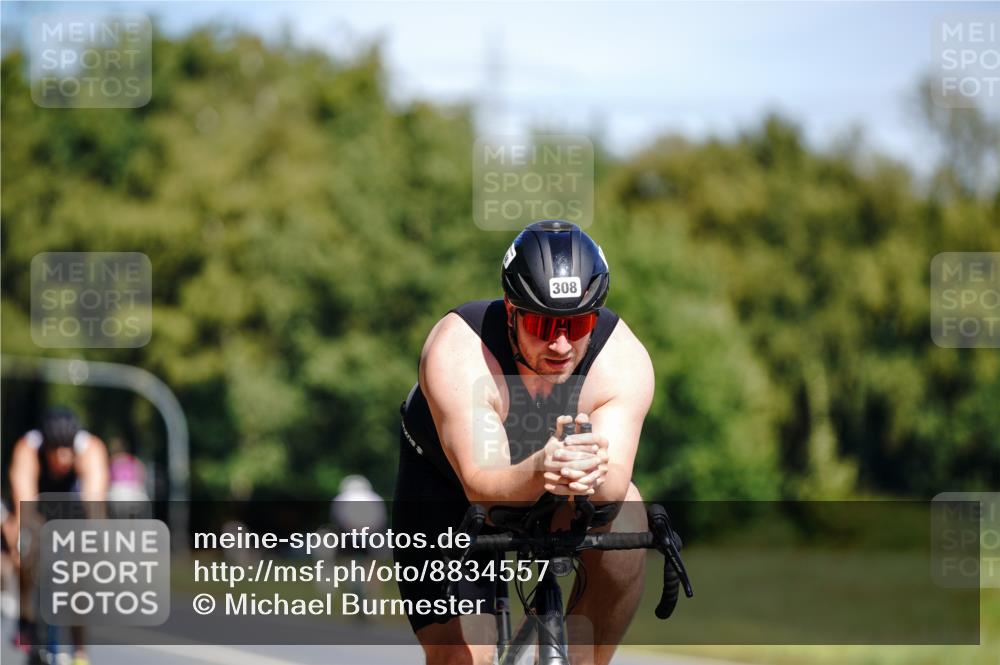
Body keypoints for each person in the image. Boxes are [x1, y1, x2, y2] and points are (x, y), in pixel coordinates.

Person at [394, 220, 654, 665]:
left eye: (577, 325)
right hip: (448, 490)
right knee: (460, 657)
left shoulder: (621, 361)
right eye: (541, 324)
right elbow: (483, 487)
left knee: (628, 511)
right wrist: (541, 468)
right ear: (511, 311)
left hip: (553, 491)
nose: (560, 344)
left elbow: (610, 489)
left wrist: (586, 473)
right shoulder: (459, 350)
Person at [3, 407, 109, 665]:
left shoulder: (91, 450)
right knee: (23, 550)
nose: (62, 458)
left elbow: (95, 506)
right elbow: (24, 505)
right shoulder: (28, 449)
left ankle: (79, 649)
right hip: (37, 508)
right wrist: (23, 541)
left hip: (73, 511)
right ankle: (26, 618)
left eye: (67, 450)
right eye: (55, 450)